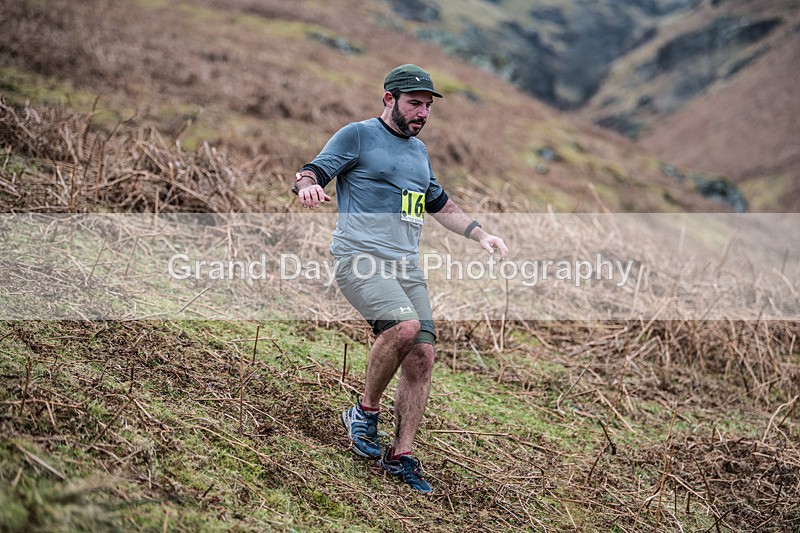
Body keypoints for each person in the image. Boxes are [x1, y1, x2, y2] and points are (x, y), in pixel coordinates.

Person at [293, 64, 508, 493]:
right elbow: (312, 170)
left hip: (406, 269)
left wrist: (480, 234)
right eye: (414, 103)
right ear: (389, 99)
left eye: (428, 106)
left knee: (422, 354)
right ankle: (364, 413)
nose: (422, 113)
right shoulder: (357, 135)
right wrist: (307, 186)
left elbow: (439, 202)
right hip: (360, 260)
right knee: (404, 327)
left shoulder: (419, 153)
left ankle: (400, 454)